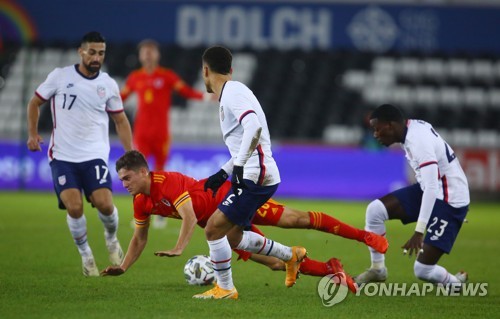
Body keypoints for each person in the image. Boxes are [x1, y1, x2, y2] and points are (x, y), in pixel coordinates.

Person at [100, 151, 389, 293]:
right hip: (220, 227)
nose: (123, 184)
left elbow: (188, 215)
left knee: (297, 220)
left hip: (232, 199)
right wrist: (124, 267)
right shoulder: (141, 202)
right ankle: (331, 270)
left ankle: (365, 237)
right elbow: (140, 237)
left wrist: (179, 247)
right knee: (275, 263)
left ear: (143, 172)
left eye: (127, 178)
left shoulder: (166, 182)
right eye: (121, 179)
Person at [197, 46, 305, 299]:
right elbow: (242, 142)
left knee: (213, 229)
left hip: (256, 174)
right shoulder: (231, 93)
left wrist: (240, 166)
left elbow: (253, 127)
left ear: (205, 70)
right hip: (256, 172)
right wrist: (224, 173)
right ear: (230, 69)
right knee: (233, 237)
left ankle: (225, 288)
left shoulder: (233, 92)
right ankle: (291, 255)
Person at [26, 31, 133, 277]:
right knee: (74, 208)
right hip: (63, 156)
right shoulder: (60, 76)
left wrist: (131, 154)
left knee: (105, 205)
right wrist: (32, 133)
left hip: (94, 154)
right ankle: (86, 255)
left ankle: (111, 237)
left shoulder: (107, 84)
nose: (97, 57)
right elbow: (34, 103)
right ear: (81, 51)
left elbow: (120, 120)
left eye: (101, 53)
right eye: (93, 52)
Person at [354, 104, 469, 290]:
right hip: (430, 189)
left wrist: (419, 232)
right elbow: (430, 185)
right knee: (375, 210)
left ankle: (455, 284)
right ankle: (378, 269)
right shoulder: (411, 128)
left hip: (450, 199)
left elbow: (432, 186)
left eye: (377, 129)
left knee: (423, 270)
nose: (375, 135)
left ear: (390, 126)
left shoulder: (418, 141)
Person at [121, 39, 210, 229]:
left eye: (151, 51)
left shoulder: (167, 76)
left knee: (160, 174)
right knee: (138, 175)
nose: (148, 54)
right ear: (140, 56)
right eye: (144, 51)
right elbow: (121, 97)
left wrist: (204, 96)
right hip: (142, 133)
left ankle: (161, 214)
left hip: (161, 133)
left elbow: (185, 91)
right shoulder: (135, 77)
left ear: (157, 55)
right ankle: (141, 213)